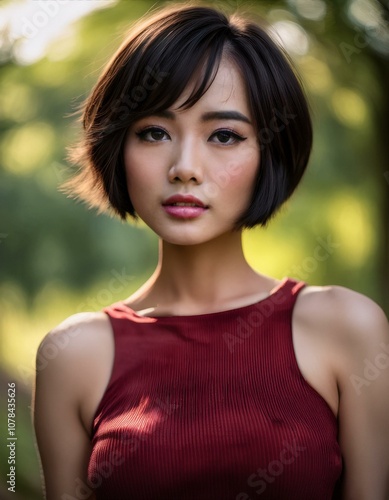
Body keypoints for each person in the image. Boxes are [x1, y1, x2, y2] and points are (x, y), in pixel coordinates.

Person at [32, 4, 389, 500]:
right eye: (154, 132)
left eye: (224, 135)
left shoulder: (348, 328)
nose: (184, 167)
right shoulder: (72, 354)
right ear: (118, 146)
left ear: (271, 152)